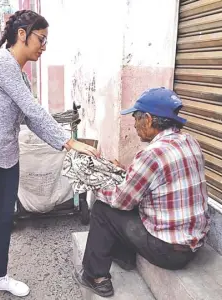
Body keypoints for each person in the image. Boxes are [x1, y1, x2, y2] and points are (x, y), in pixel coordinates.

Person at [0, 10, 99, 300]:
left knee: (5, 221)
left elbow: (31, 119)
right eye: (41, 39)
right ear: (22, 34)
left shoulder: (20, 76)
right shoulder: (0, 63)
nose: (44, 47)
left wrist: (64, 141)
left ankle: (0, 277)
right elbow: (33, 110)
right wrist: (71, 144)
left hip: (7, 159)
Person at [73, 87, 210, 298]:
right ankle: (125, 257)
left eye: (136, 119)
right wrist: (125, 171)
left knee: (103, 208)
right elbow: (162, 179)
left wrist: (95, 186)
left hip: (167, 251)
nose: (135, 126)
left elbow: (121, 201)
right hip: (193, 246)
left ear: (147, 119)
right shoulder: (189, 141)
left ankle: (95, 277)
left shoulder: (151, 154)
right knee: (134, 203)